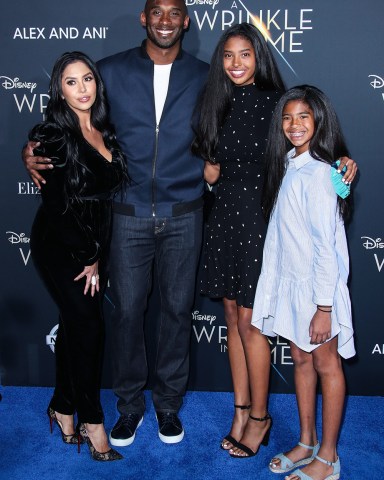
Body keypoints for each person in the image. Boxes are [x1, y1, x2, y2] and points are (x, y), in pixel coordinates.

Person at [24, 0, 209, 446]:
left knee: (177, 313)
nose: (165, 21)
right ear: (144, 18)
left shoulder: (207, 75)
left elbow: (246, 123)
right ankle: (129, 407)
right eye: (156, 11)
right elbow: (68, 117)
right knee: (126, 314)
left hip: (184, 211)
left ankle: (168, 405)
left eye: (174, 12)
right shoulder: (106, 70)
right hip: (124, 216)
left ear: (186, 20)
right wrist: (29, 151)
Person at [192, 23, 357, 459]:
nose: (236, 63)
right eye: (228, 55)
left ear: (259, 57)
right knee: (231, 317)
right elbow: (210, 168)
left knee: (251, 323)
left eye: (245, 54)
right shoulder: (215, 102)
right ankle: (241, 409)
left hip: (258, 220)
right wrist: (209, 177)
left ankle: (261, 417)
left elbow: (310, 143)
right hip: (223, 217)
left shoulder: (275, 103)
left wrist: (342, 162)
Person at [252, 85, 355, 480]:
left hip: (318, 292)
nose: (294, 125)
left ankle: (328, 458)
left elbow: (325, 247)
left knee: (326, 364)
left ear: (318, 122)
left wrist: (324, 307)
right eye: (287, 117)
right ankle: (308, 441)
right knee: (300, 361)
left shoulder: (320, 174)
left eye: (304, 117)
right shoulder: (289, 166)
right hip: (293, 287)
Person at [29, 51, 127, 461]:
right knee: (88, 327)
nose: (82, 88)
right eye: (71, 82)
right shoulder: (52, 135)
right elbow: (57, 205)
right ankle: (92, 420)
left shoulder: (104, 130)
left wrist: (98, 252)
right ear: (59, 89)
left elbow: (102, 198)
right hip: (62, 243)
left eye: (87, 79)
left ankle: (63, 406)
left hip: (94, 245)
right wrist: (89, 255)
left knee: (75, 323)